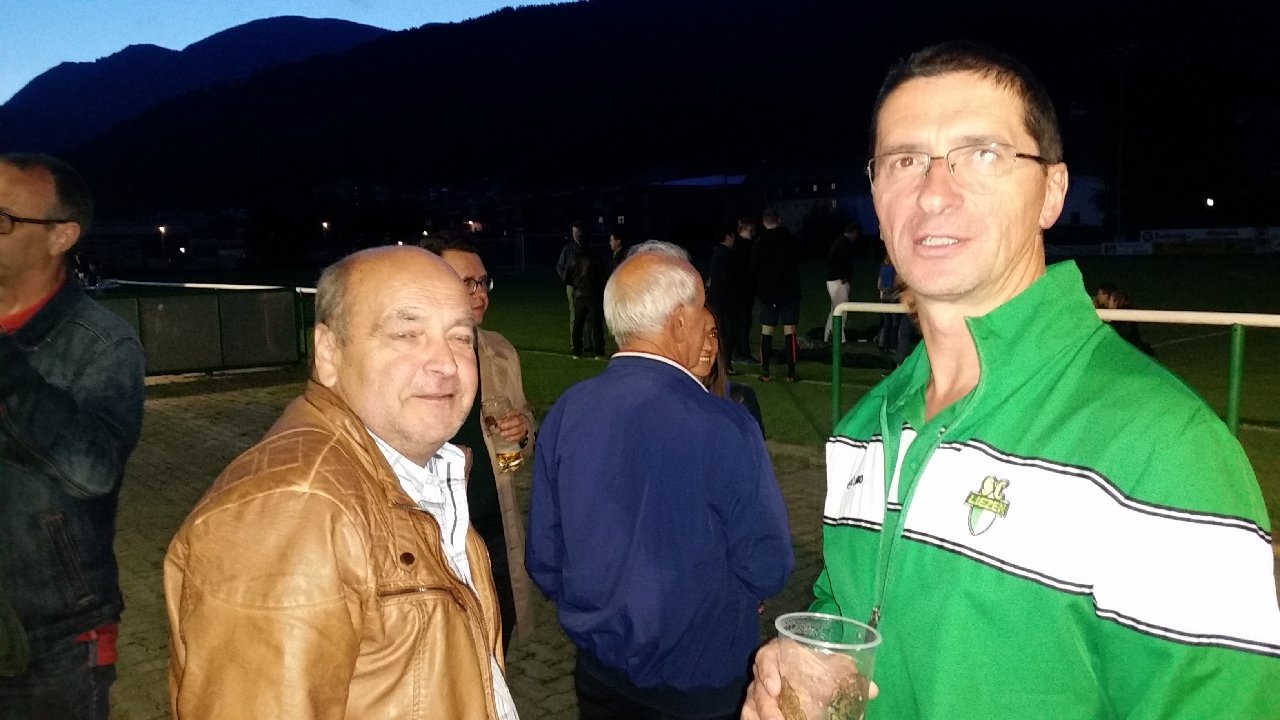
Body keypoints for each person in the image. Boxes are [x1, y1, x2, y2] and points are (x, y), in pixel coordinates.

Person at [744, 41, 1280, 720]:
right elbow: (854, 615)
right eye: (905, 160)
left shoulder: (1164, 450)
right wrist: (808, 660)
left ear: (1052, 191)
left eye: (981, 154)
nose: (933, 192)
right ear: (876, 194)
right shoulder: (862, 430)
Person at [164, 246, 519, 719]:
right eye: (406, 334)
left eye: (459, 337)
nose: (446, 363)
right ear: (328, 353)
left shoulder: (415, 471)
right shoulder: (294, 509)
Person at [526, 244, 793, 720]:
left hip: (601, 675)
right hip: (700, 684)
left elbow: (545, 560)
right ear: (679, 322)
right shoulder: (724, 425)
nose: (709, 320)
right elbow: (767, 565)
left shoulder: (569, 410)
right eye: (702, 306)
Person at [0, 152, 145, 719]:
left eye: (2, 218)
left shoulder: (101, 342)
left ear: (60, 236)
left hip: (54, 635)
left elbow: (93, 470)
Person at [422, 235, 537, 652]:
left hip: (494, 534)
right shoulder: (409, 360)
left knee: (497, 645)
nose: (480, 293)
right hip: (431, 543)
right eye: (466, 282)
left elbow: (524, 429)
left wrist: (522, 432)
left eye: (483, 282)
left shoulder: (499, 351)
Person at [693, 306, 765, 437]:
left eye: (713, 334)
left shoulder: (740, 398)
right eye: (697, 334)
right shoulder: (663, 400)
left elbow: (756, 447)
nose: (708, 345)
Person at [750, 209, 801, 382]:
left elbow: (753, 268)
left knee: (766, 332)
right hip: (789, 293)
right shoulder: (790, 239)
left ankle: (765, 372)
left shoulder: (759, 243)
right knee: (790, 332)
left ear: (764, 223)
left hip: (768, 294)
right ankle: (791, 373)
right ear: (779, 220)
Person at [706, 225, 740, 375]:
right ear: (727, 236)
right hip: (725, 301)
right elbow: (728, 280)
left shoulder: (717, 253)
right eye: (733, 236)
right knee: (727, 334)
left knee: (722, 333)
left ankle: (723, 365)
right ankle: (724, 365)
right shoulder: (727, 255)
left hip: (718, 300)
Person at [1094, 282, 1155, 356]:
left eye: (1099, 294)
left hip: (1130, 349)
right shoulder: (1105, 309)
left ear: (1106, 296)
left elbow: (1120, 334)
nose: (1097, 296)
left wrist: (1111, 314)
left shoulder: (1125, 311)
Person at [824, 222, 859, 344]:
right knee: (841, 311)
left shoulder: (838, 242)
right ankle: (839, 338)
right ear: (854, 233)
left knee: (835, 310)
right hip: (839, 281)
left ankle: (828, 335)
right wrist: (844, 276)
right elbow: (845, 262)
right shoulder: (846, 244)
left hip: (833, 280)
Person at [731, 217, 758, 363]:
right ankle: (744, 353)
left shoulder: (736, 246)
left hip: (739, 290)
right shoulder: (746, 247)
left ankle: (738, 352)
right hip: (744, 291)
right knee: (744, 322)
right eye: (750, 229)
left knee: (740, 321)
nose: (753, 232)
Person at [875, 252, 901, 355]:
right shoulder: (896, 268)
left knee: (886, 323)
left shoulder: (883, 268)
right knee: (895, 324)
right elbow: (895, 285)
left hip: (884, 299)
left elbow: (879, 285)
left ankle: (885, 346)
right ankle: (892, 346)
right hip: (893, 299)